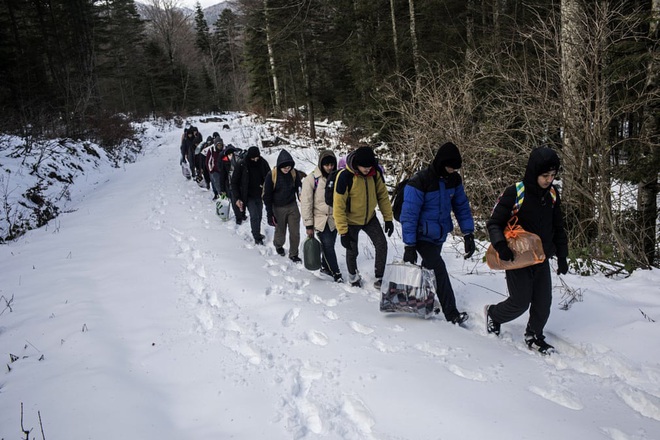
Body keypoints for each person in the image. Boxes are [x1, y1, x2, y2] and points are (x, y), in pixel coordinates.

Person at [485, 146, 568, 353]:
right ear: (533, 172)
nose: (549, 179)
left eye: (552, 175)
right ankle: (494, 314)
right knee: (520, 302)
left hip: (541, 257)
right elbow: (494, 223)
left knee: (543, 302)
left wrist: (563, 256)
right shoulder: (516, 192)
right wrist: (501, 246)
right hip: (517, 257)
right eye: (544, 175)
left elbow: (558, 226)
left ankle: (534, 334)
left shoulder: (552, 194)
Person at [400, 142, 475, 325]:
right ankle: (452, 314)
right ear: (441, 163)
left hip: (439, 235)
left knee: (428, 270)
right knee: (439, 269)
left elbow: (461, 207)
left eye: (455, 168)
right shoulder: (421, 181)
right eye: (450, 167)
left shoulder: (453, 180)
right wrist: (409, 245)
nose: (452, 171)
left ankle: (421, 301)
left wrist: (468, 234)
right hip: (421, 236)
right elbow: (409, 215)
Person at [333, 146, 394, 288]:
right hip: (351, 220)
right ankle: (353, 278)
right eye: (364, 167)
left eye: (369, 166)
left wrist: (388, 219)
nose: (367, 169)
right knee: (352, 250)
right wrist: (343, 232)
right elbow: (338, 206)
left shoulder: (375, 173)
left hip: (369, 218)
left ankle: (380, 277)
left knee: (381, 244)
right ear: (357, 164)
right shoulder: (345, 177)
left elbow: (382, 196)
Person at [301, 150, 343, 282]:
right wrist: (308, 225)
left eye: (332, 165)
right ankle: (336, 273)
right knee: (328, 246)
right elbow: (306, 203)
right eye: (327, 165)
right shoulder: (312, 179)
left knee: (329, 245)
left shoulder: (337, 177)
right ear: (321, 165)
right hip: (320, 219)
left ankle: (325, 266)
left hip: (334, 219)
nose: (330, 168)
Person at [262, 150, 303, 263]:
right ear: (280, 165)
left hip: (292, 206)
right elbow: (267, 196)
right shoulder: (272, 175)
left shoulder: (293, 173)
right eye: (284, 167)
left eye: (289, 167)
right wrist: (270, 214)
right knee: (281, 231)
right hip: (278, 207)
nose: (286, 169)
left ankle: (294, 254)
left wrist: (300, 193)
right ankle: (278, 245)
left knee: (295, 232)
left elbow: (299, 185)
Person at [231, 146, 270, 245]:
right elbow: (234, 182)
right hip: (247, 195)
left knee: (260, 214)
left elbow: (269, 177)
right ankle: (256, 236)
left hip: (260, 194)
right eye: (253, 158)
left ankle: (257, 232)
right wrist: (237, 197)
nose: (255, 160)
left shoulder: (263, 163)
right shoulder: (242, 164)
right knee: (254, 215)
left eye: (257, 158)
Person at [219, 145, 246, 223]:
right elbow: (222, 175)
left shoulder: (239, 160)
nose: (231, 156)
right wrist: (222, 189)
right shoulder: (224, 162)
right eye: (229, 155)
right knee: (234, 201)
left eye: (232, 154)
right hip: (230, 184)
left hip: (241, 183)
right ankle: (238, 217)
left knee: (242, 199)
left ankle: (242, 213)